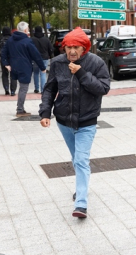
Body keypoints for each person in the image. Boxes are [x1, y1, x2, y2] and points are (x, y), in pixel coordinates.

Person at [39, 27, 110, 218]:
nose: (71, 51)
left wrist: (81, 73)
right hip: (64, 121)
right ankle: (81, 187)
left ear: (84, 48)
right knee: (77, 158)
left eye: (76, 47)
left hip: (87, 121)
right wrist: (45, 112)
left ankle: (81, 204)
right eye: (68, 47)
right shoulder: (57, 63)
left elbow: (103, 88)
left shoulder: (96, 63)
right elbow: (49, 89)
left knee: (80, 160)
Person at [1, 21, 46, 117]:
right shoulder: (27, 41)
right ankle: (20, 110)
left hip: (14, 67)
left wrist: (6, 64)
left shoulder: (10, 40)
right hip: (25, 67)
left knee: (22, 88)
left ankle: (20, 108)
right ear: (25, 30)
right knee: (23, 88)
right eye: (28, 29)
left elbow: (3, 53)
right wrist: (42, 67)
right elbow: (36, 55)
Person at [32, 26, 53, 93]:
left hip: (35, 58)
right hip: (44, 58)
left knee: (35, 73)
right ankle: (43, 89)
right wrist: (50, 55)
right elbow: (51, 48)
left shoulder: (32, 39)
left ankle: (36, 88)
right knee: (43, 73)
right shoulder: (46, 39)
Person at [0, 26, 17, 96]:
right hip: (13, 59)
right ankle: (13, 91)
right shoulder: (13, 39)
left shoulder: (1, 39)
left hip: (4, 59)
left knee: (4, 73)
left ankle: (6, 89)